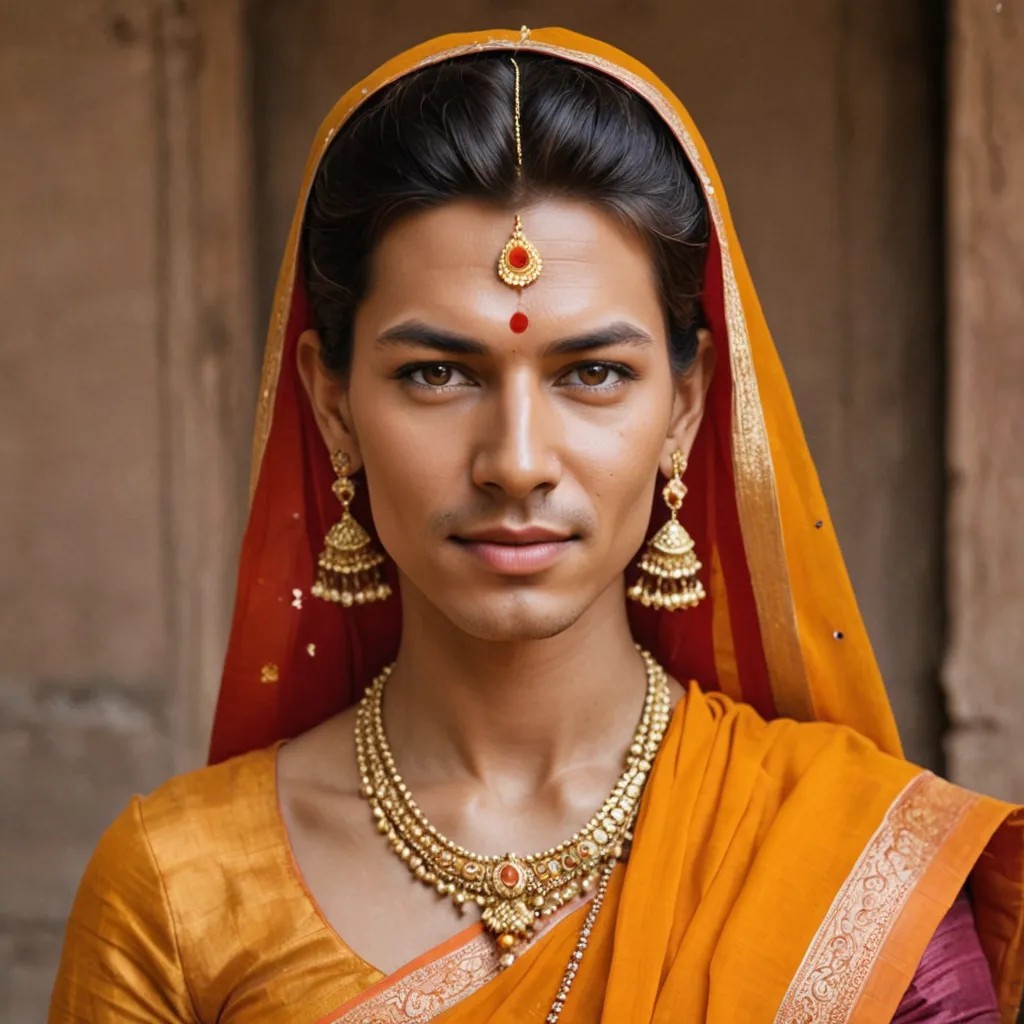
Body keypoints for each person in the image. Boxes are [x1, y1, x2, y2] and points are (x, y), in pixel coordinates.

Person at [49, 26, 1023, 1024]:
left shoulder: (844, 864)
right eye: (437, 373)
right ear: (334, 406)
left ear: (684, 407)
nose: (515, 460)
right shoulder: (180, 891)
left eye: (592, 373)